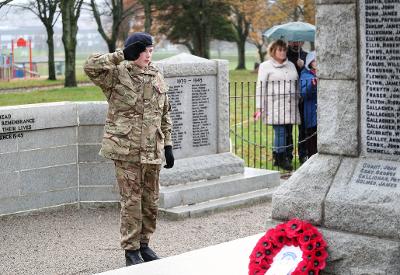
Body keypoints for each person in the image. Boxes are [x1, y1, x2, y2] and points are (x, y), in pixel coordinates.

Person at [83, 32, 174, 266]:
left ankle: (144, 245)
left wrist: (169, 144)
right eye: (143, 50)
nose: (148, 55)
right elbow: (89, 66)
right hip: (126, 150)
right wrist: (122, 55)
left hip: (152, 150)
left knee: (150, 200)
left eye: (151, 50)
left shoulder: (156, 75)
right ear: (134, 51)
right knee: (131, 201)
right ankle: (131, 250)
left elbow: (164, 114)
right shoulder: (115, 74)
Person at [255, 39, 300, 170]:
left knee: (287, 132)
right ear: (273, 51)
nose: (283, 52)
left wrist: (298, 97)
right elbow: (260, 87)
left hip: (290, 105)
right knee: (280, 132)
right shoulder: (265, 66)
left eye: (284, 50)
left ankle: (280, 156)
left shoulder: (291, 65)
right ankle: (281, 158)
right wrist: (259, 107)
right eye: (280, 50)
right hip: (274, 105)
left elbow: (296, 83)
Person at [287, 41, 308, 164]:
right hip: (288, 97)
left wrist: (303, 66)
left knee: (303, 128)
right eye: (293, 41)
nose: (295, 43)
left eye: (298, 41)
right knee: (287, 128)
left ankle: (303, 154)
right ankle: (288, 156)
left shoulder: (306, 56)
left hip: (303, 98)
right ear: (289, 42)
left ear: (302, 42)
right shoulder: (283, 56)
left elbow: (312, 72)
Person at [300, 51, 318, 158]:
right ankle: (312, 158)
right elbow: (304, 94)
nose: (317, 62)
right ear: (310, 62)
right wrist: (312, 84)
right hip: (311, 113)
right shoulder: (305, 75)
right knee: (312, 139)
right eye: (315, 60)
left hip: (324, 113)